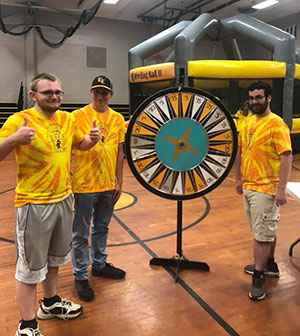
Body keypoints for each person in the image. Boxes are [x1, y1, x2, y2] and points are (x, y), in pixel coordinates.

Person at [0, 73, 100, 336]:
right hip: (34, 204)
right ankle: (27, 324)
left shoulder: (67, 119)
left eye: (58, 92)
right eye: (48, 93)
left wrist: (93, 139)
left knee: (55, 259)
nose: (55, 96)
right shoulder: (19, 120)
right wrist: (14, 140)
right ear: (33, 95)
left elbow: (82, 144)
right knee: (30, 267)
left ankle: (51, 303)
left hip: (63, 199)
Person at [235, 81, 292, 301]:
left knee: (261, 235)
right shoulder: (248, 122)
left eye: (258, 97)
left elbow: (286, 156)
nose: (254, 102)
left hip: (266, 187)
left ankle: (258, 276)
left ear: (268, 98)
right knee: (263, 230)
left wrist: (281, 189)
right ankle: (269, 264)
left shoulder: (276, 124)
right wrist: (239, 178)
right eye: (251, 98)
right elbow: (241, 150)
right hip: (249, 185)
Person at [71, 75, 126, 302]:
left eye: (104, 92)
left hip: (107, 185)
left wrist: (119, 181)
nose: (100, 96)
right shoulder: (78, 116)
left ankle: (100, 265)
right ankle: (81, 275)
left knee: (102, 228)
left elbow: (120, 152)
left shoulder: (118, 118)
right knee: (81, 233)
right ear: (91, 93)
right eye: (97, 92)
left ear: (111, 95)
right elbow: (71, 145)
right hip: (85, 184)